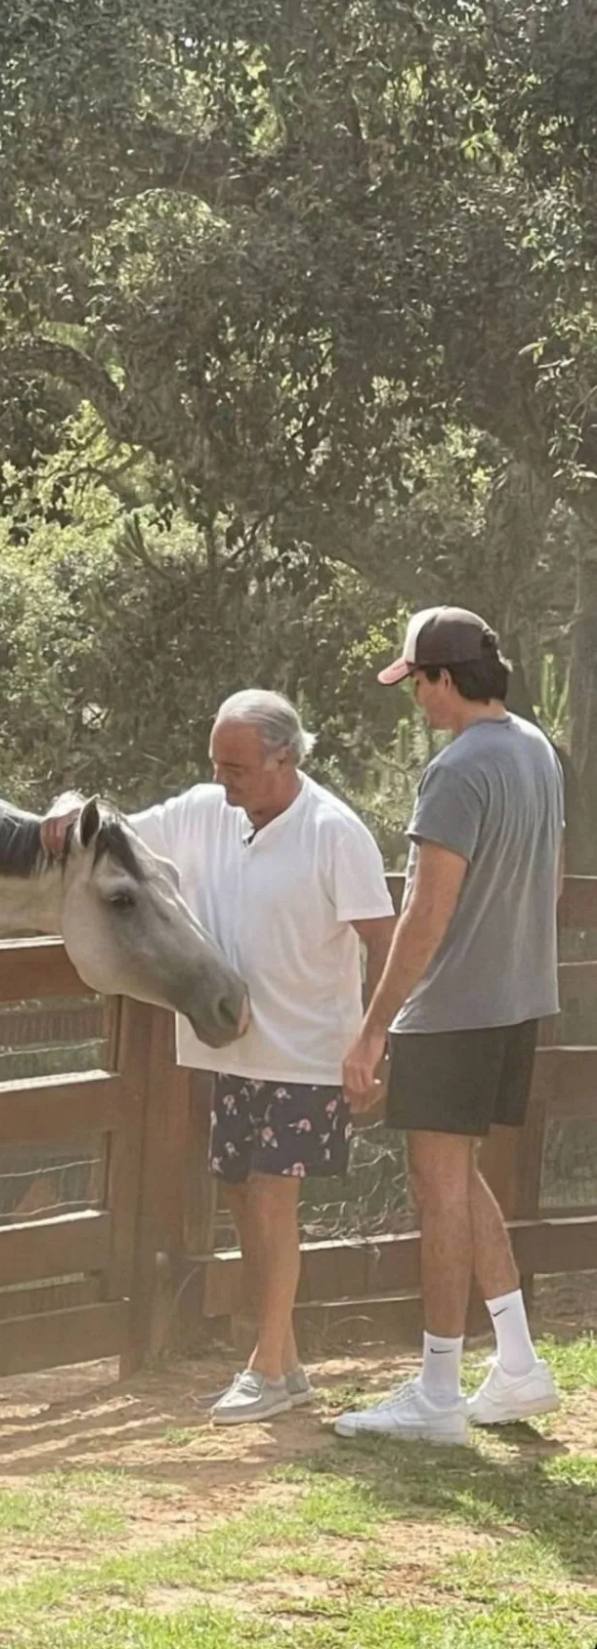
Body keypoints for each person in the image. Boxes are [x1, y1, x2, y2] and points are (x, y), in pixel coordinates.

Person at [41, 690, 395, 1422]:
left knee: (271, 1202)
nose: (224, 780)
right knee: (242, 1200)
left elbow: (384, 943)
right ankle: (286, 1363)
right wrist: (72, 799)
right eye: (217, 764)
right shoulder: (205, 812)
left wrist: (372, 1039)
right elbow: (105, 832)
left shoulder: (335, 832)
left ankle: (265, 1367)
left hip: (306, 1055)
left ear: (284, 758)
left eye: (237, 767)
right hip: (231, 1054)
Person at [337, 607, 565, 1446]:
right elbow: (545, 882)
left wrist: (371, 1032)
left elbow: (423, 917)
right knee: (460, 1177)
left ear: (442, 677)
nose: (416, 701)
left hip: (452, 1009)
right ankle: (516, 1366)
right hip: (515, 1000)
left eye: (417, 683)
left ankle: (437, 1391)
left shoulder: (456, 770)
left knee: (439, 1192)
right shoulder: (537, 751)